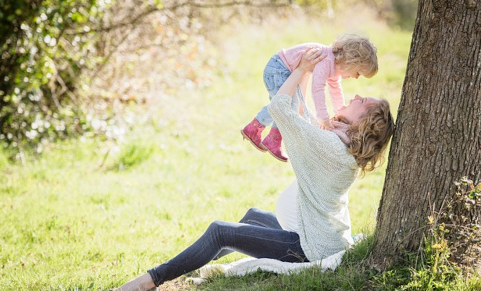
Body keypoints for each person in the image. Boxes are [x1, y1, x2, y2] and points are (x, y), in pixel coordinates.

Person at [116, 48, 394, 291]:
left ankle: (149, 281)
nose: (357, 95)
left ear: (364, 123)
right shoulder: (339, 142)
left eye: (364, 102)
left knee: (219, 232)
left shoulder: (330, 147)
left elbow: (280, 108)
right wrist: (308, 72)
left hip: (308, 250)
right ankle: (187, 264)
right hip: (319, 238)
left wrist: (299, 69)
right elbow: (304, 117)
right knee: (252, 217)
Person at [241, 33, 378, 162]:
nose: (355, 77)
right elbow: (317, 89)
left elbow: (335, 90)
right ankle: (264, 133)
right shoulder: (327, 60)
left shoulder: (334, 66)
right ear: (352, 62)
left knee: (286, 105)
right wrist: (323, 118)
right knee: (285, 104)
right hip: (278, 69)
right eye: (358, 73)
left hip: (282, 69)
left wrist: (339, 112)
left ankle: (265, 134)